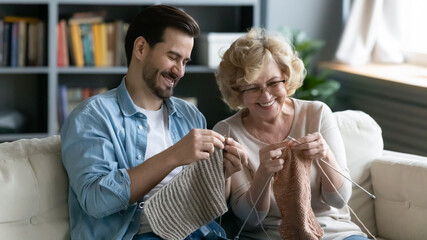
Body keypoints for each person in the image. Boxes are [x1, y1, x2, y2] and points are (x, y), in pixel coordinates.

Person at [61, 5, 247, 240]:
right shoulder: (93, 116)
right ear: (140, 48)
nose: (179, 71)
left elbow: (203, 204)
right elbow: (96, 200)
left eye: (186, 62)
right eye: (172, 57)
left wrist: (223, 174)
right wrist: (174, 156)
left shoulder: (190, 115)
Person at [213, 27, 370, 240]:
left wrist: (326, 155)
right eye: (252, 87)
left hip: (334, 234)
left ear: (286, 77)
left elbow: (339, 201)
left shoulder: (317, 113)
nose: (266, 95)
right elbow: (250, 220)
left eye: (273, 82)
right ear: (236, 90)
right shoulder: (227, 132)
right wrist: (263, 175)